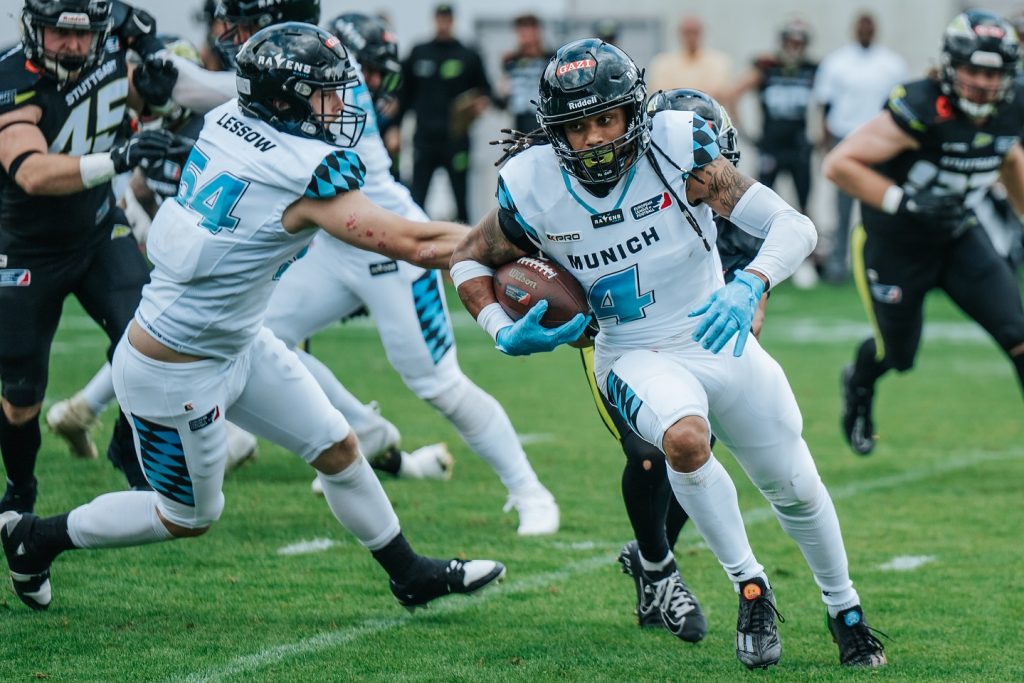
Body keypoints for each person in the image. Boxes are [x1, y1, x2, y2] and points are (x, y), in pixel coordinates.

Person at [0, 21, 506, 613]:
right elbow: (413, 243)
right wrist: (515, 238)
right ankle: (34, 539)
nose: (340, 105)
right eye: (324, 92)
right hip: (175, 371)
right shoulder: (301, 173)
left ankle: (409, 575)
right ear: (285, 100)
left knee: (338, 446)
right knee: (187, 515)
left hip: (238, 341)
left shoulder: (226, 122)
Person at [451, 39, 886, 669]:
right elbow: (468, 257)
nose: (594, 139)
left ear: (634, 112)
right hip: (631, 350)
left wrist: (750, 283)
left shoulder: (678, 147)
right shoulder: (531, 183)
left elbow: (795, 226)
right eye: (577, 127)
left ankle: (845, 610)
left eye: (606, 119)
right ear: (554, 130)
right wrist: (499, 327)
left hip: (715, 334)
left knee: (795, 486)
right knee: (682, 441)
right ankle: (751, 588)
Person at [268, 12, 559, 533]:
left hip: (391, 245)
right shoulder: (298, 86)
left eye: (374, 74)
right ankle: (362, 429)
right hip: (332, 244)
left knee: (438, 384)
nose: (368, 85)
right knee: (262, 341)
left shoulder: (336, 93)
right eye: (366, 70)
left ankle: (529, 490)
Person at [0, 0, 189, 512]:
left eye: (84, 35)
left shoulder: (108, 55)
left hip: (99, 230)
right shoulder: (11, 76)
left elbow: (150, 90)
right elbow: (31, 172)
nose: (73, 45)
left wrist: (154, 82)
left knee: (153, 339)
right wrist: (120, 156)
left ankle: (128, 447)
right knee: (20, 396)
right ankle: (20, 490)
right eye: (60, 33)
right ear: (34, 29)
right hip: (26, 250)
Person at [823, 10, 1024, 456]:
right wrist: (904, 201)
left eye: (994, 74)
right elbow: (839, 164)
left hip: (957, 236)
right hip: (896, 244)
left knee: (1018, 334)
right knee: (898, 356)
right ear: (950, 65)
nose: (983, 83)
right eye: (973, 70)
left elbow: (1008, 155)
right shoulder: (921, 106)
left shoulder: (1012, 107)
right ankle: (859, 381)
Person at [814, 13, 906, 282]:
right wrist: (825, 143)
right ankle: (838, 265)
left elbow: (898, 107)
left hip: (879, 142)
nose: (865, 31)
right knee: (842, 208)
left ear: (875, 30)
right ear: (855, 30)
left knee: (879, 204)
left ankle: (878, 265)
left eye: (869, 27)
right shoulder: (837, 61)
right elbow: (826, 105)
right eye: (861, 27)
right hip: (844, 138)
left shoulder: (891, 63)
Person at [400, 3, 492, 223]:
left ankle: (465, 242)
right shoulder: (419, 52)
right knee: (417, 199)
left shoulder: (468, 54)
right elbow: (404, 96)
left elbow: (486, 90)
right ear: (435, 20)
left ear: (452, 21)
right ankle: (414, 239)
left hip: (456, 140)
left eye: (447, 18)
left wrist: (480, 103)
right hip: (425, 139)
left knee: (461, 201)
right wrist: (395, 127)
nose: (443, 23)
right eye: (440, 18)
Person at [728, 19, 816, 216]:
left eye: (799, 43)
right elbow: (733, 94)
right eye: (791, 42)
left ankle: (806, 235)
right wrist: (743, 132)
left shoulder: (810, 70)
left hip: (799, 146)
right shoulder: (767, 68)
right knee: (762, 203)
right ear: (782, 41)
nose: (794, 48)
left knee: (804, 204)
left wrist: (821, 136)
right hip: (771, 146)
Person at [646, 15, 732, 100]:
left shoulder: (719, 61)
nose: (691, 37)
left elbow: (721, 92)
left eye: (695, 32)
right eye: (687, 33)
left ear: (702, 33)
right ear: (678, 34)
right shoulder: (662, 63)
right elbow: (659, 94)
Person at [497, 14, 553, 135]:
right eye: (521, 31)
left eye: (529, 30)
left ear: (537, 31)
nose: (525, 35)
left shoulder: (551, 59)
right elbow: (502, 100)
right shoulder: (510, 62)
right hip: (520, 123)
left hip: (546, 122)